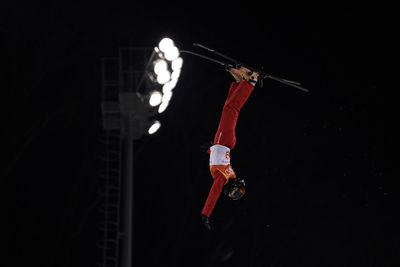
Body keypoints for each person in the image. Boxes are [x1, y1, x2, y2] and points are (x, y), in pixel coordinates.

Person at [201, 66, 259, 230]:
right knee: (232, 108)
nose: (239, 184)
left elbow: (218, 160)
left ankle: (239, 83)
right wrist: (206, 213)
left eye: (238, 187)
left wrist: (209, 149)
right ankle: (250, 82)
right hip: (224, 140)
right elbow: (213, 195)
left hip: (221, 142)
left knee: (228, 108)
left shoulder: (224, 176)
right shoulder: (222, 178)